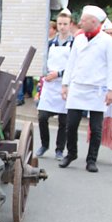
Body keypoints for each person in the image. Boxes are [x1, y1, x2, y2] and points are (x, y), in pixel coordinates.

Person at [59, 5, 112, 172]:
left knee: (96, 128)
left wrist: (111, 90)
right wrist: (65, 84)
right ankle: (72, 153)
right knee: (71, 124)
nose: (80, 22)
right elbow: (71, 62)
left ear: (94, 22)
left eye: (83, 20)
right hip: (77, 86)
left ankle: (91, 159)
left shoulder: (108, 41)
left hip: (97, 89)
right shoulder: (79, 39)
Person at [36, 9, 73, 159]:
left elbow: (75, 66)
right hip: (49, 86)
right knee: (42, 117)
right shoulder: (50, 43)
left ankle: (59, 149)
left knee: (64, 121)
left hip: (65, 85)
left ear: (70, 25)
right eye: (59, 24)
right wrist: (45, 74)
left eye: (65, 24)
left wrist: (59, 74)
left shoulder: (74, 44)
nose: (62, 27)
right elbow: (42, 62)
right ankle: (44, 145)